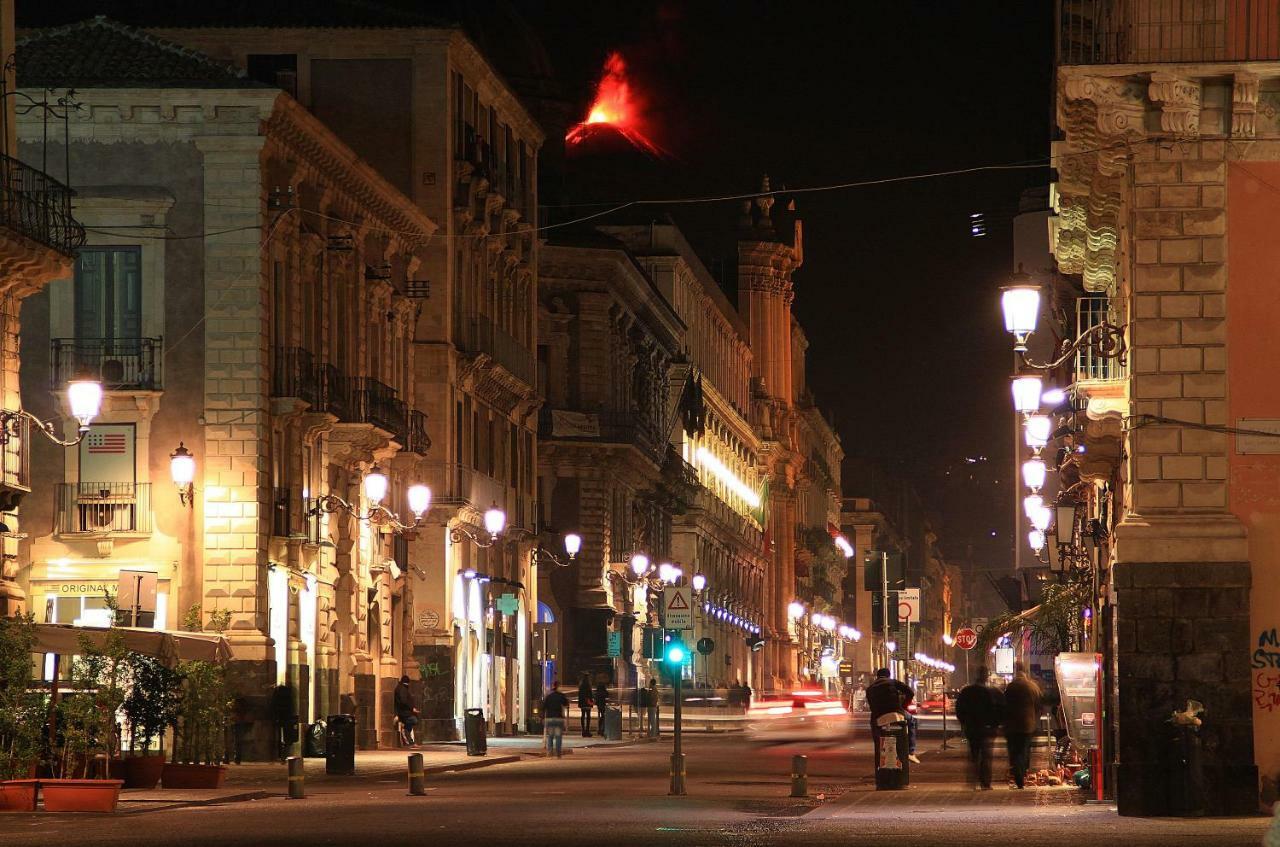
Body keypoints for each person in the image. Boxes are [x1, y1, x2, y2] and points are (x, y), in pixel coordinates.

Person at [955, 666, 1004, 790]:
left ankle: (972, 781)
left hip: (972, 728)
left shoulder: (967, 691)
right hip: (986, 729)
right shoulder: (990, 692)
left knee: (974, 754)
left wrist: (964, 722)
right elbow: (996, 710)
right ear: (986, 676)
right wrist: (995, 725)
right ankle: (985, 783)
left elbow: (959, 709)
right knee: (986, 756)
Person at [1003, 663, 1043, 789]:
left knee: (1015, 751)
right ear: (1026, 671)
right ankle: (1022, 773)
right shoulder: (1032, 686)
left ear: (1016, 671)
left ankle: (1018, 775)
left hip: (1012, 725)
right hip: (1027, 725)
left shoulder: (1011, 687)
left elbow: (1005, 705)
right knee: (1023, 750)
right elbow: (1039, 705)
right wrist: (1035, 718)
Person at [864, 668, 915, 763]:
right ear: (888, 675)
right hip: (895, 711)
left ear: (877, 676)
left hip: (878, 714)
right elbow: (910, 692)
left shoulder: (870, 688)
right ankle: (910, 752)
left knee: (875, 728)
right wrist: (904, 705)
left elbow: (871, 704)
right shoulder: (893, 682)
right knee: (911, 721)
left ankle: (878, 751)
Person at [542, 681, 570, 758]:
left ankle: (549, 752)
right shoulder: (561, 696)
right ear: (558, 687)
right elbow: (566, 704)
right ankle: (558, 753)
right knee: (558, 736)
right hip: (558, 719)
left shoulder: (548, 696)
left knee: (550, 736)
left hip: (550, 718)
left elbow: (544, 707)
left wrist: (542, 718)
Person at [393, 674, 419, 747]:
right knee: (413, 720)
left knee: (410, 725)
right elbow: (404, 701)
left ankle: (411, 742)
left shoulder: (401, 688)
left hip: (404, 711)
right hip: (404, 712)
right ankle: (403, 726)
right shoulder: (403, 689)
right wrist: (412, 708)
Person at [577, 672, 594, 737]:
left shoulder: (581, 686)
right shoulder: (588, 686)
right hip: (587, 703)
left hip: (582, 703)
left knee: (583, 716)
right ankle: (587, 730)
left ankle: (583, 730)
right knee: (588, 717)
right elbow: (589, 694)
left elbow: (580, 695)